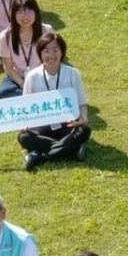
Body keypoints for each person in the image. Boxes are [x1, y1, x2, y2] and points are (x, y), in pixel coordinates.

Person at [19, 33, 90, 169]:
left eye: (55, 50)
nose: (51, 55)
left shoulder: (72, 73)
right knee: (24, 137)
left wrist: (83, 118)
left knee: (84, 131)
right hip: (42, 126)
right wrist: (24, 123)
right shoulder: (32, 76)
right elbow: (25, 106)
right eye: (46, 51)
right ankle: (71, 151)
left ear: (62, 52)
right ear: (40, 53)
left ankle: (39, 156)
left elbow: (81, 101)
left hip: (67, 126)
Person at [0, 0, 53, 95]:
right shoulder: (5, 36)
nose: (25, 16)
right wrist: (24, 84)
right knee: (4, 93)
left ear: (36, 12)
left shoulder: (46, 31)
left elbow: (52, 61)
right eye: (20, 11)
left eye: (29, 10)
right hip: (18, 77)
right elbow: (8, 68)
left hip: (43, 74)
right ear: (13, 14)